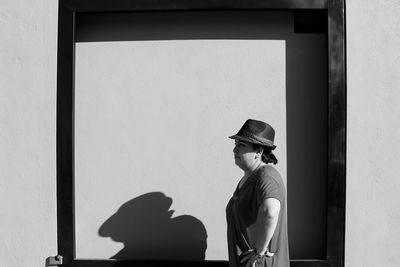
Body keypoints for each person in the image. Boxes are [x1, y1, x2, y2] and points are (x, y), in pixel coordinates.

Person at [226, 119, 289, 267]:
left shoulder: (267, 176)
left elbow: (270, 211)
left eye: (241, 146)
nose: (235, 150)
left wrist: (259, 253)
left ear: (259, 152)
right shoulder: (249, 178)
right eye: (235, 145)